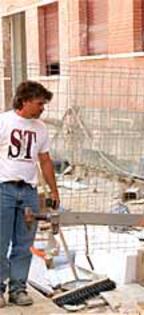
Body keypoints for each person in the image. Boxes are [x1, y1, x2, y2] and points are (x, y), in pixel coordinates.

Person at [0, 81, 60, 308]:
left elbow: (45, 160)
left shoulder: (40, 128)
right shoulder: (4, 121)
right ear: (25, 101)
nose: (43, 108)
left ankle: (18, 289)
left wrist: (54, 190)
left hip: (28, 192)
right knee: (0, 241)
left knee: (24, 244)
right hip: (3, 188)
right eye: (39, 103)